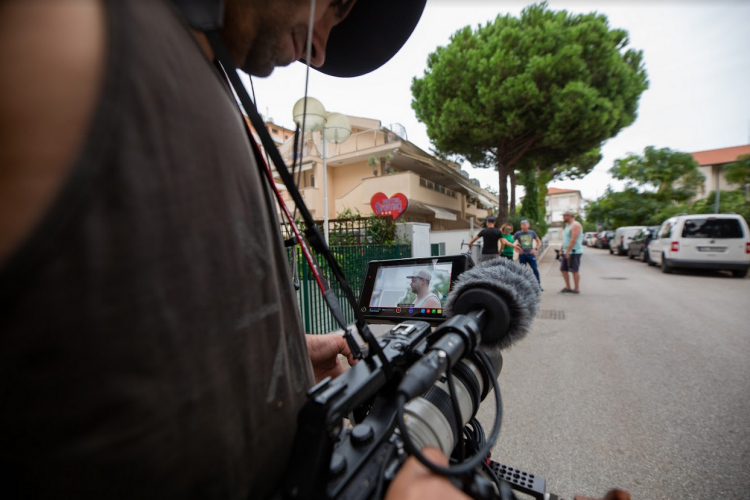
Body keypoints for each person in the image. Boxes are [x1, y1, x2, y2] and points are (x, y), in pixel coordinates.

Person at [0, 1, 455, 499]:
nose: (319, 51)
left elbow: (137, 340)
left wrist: (288, 355)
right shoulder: (65, 24)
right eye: (338, 4)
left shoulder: (209, 79)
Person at [513, 219, 543, 290]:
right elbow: (512, 242)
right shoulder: (518, 234)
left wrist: (535, 249)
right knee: (522, 271)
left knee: (535, 269)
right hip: (522, 255)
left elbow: (539, 241)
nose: (523, 226)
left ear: (528, 225)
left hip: (530, 254)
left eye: (525, 224)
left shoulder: (532, 233)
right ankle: (523, 286)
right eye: (522, 225)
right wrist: (516, 248)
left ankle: (538, 285)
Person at [560, 209, 584, 294]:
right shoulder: (567, 225)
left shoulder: (576, 225)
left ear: (569, 216)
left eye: (564, 216)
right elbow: (566, 239)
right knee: (563, 269)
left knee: (574, 270)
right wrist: (561, 249)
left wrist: (567, 251)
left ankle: (576, 288)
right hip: (566, 251)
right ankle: (568, 287)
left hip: (574, 251)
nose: (563, 217)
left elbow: (573, 240)